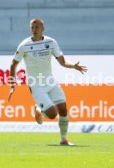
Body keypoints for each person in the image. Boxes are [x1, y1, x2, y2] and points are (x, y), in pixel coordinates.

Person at [8, 18, 87, 146]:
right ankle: (38, 109)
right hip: (36, 84)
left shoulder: (51, 42)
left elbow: (62, 62)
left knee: (63, 110)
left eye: (37, 27)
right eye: (32, 27)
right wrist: (12, 85)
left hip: (50, 81)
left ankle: (64, 139)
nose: (34, 30)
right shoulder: (24, 45)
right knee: (52, 114)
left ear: (43, 28)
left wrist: (73, 66)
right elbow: (13, 65)